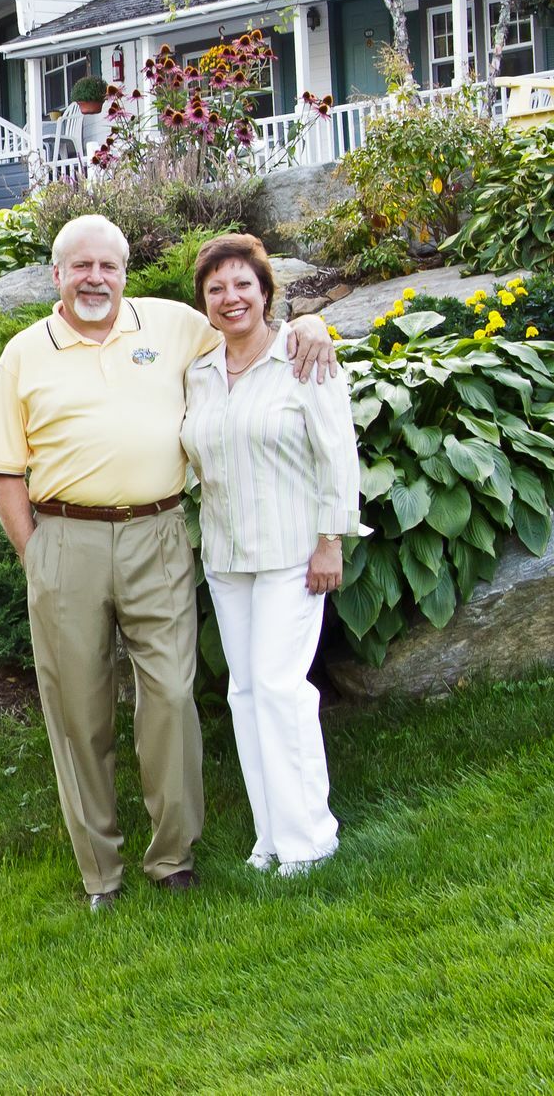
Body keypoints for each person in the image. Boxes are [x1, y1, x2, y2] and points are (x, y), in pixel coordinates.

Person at [0, 214, 335, 909]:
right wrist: (39, 557)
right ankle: (100, 873)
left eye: (108, 266)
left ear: (124, 273)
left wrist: (311, 325)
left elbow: (252, 330)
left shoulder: (172, 325)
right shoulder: (24, 353)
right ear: (57, 276)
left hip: (159, 532)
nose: (95, 278)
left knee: (171, 697)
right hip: (65, 539)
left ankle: (172, 854)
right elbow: (5, 475)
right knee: (77, 711)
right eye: (80, 266)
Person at [181, 233, 362, 877]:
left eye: (243, 285)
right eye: (216, 288)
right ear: (204, 302)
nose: (231, 298)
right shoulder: (199, 373)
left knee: (282, 689)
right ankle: (270, 837)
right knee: (247, 693)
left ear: (265, 292)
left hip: (293, 552)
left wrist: (331, 539)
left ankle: (311, 838)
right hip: (228, 557)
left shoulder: (300, 356)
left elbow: (336, 450)